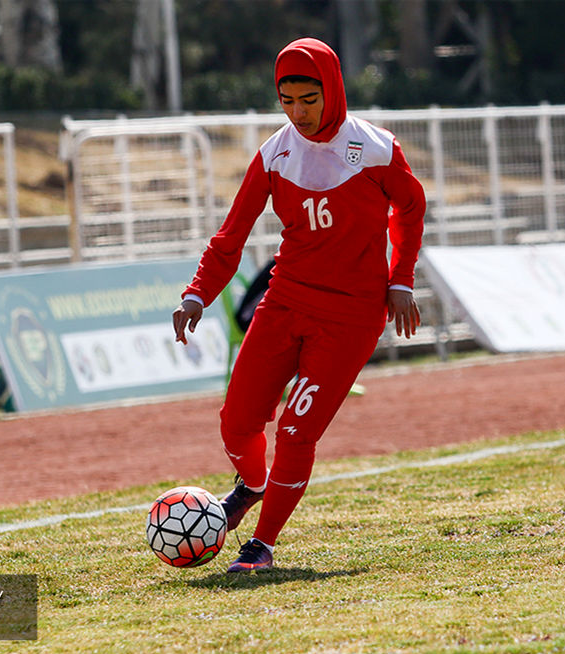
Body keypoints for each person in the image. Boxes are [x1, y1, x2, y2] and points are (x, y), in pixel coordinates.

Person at [172, 37, 426, 573]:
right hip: (285, 301)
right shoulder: (274, 154)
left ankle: (261, 545)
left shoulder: (376, 148)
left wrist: (401, 278)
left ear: (332, 89)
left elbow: (410, 206)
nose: (298, 113)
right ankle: (252, 485)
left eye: (309, 99)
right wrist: (197, 294)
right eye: (286, 101)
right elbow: (231, 235)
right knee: (236, 424)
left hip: (351, 316)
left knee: (294, 433)